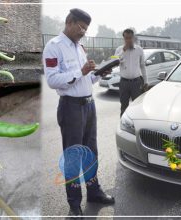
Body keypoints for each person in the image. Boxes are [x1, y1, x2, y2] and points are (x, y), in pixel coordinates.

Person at [42, 8, 115, 218]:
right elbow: (53, 80)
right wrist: (80, 71)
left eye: (85, 28)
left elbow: (86, 79)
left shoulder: (80, 47)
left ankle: (94, 192)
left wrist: (98, 74)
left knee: (91, 153)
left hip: (89, 106)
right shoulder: (54, 47)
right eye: (81, 27)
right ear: (69, 22)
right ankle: (74, 204)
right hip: (71, 107)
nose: (83, 31)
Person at [114, 28, 147, 116]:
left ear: (133, 38)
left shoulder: (139, 50)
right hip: (124, 83)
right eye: (126, 38)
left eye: (130, 38)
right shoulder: (119, 50)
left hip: (136, 83)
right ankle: (123, 127)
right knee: (124, 106)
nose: (128, 40)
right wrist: (124, 50)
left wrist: (146, 81)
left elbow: (142, 66)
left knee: (136, 107)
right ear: (123, 39)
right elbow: (114, 62)